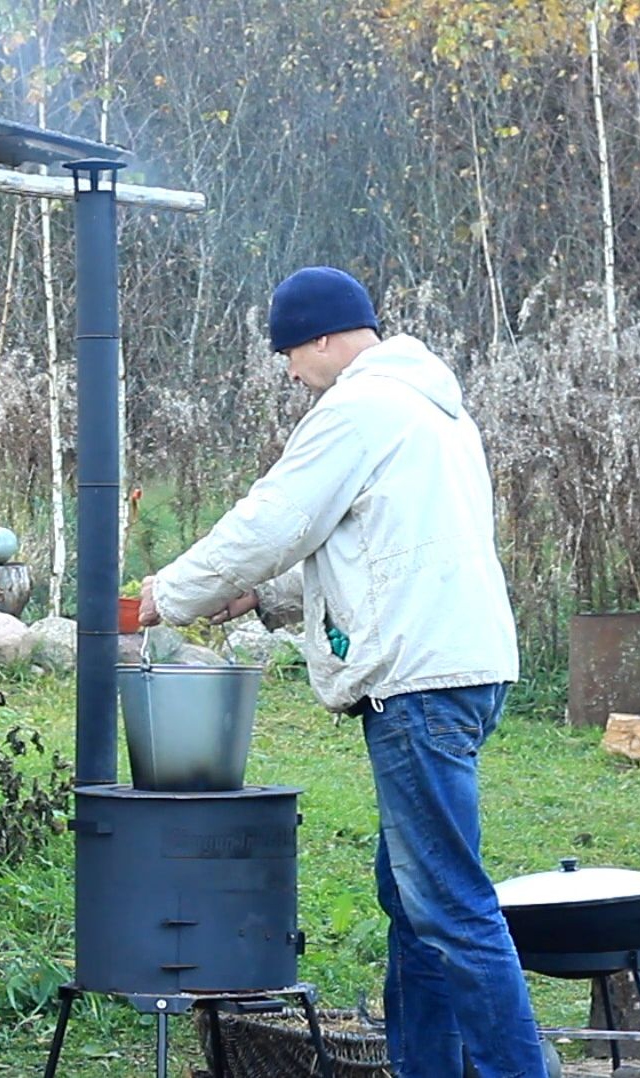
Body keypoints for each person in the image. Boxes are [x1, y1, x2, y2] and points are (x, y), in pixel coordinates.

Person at [137, 267, 545, 1078]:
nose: (289, 372)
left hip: (418, 680)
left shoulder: (357, 408)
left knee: (450, 904)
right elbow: (370, 543)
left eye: (289, 353)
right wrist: (267, 596)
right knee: (413, 902)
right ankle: (425, 1066)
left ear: (323, 338)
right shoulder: (433, 408)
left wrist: (167, 593)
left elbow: (274, 520)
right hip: (465, 665)